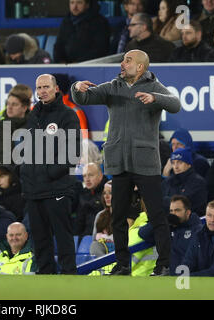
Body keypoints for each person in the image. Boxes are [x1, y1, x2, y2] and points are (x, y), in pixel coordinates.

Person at [72, 49, 180, 276]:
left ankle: (164, 265)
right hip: (119, 161)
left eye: (128, 61)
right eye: (123, 60)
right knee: (118, 217)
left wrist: (155, 98)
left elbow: (175, 104)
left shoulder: (153, 86)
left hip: (145, 162)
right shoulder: (113, 87)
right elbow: (85, 97)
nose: (123, 63)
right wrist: (77, 89)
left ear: (140, 67)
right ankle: (122, 266)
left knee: (156, 215)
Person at [21, 74, 81, 274]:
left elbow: (72, 152)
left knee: (62, 235)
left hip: (57, 186)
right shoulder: (33, 114)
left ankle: (68, 275)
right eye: (39, 88)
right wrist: (24, 170)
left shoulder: (67, 115)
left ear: (56, 89)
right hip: (33, 187)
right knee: (39, 238)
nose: (42, 91)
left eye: (46, 87)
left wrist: (49, 173)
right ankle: (45, 276)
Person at [139, 195, 202, 276]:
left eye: (177, 210)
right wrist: (164, 220)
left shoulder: (197, 230)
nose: (173, 214)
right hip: (170, 277)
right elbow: (143, 233)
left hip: (188, 277)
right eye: (171, 211)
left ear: (188, 212)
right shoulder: (168, 227)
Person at [161, 148, 208, 216]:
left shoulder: (198, 182)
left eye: (180, 162)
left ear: (188, 164)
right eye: (173, 163)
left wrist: (164, 201)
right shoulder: (167, 182)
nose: (176, 166)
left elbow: (183, 204)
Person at [75, 163, 109, 239]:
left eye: (90, 175)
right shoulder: (83, 194)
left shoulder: (109, 191)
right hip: (86, 236)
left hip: (104, 237)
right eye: (84, 176)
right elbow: (79, 221)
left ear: (100, 176)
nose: (87, 179)